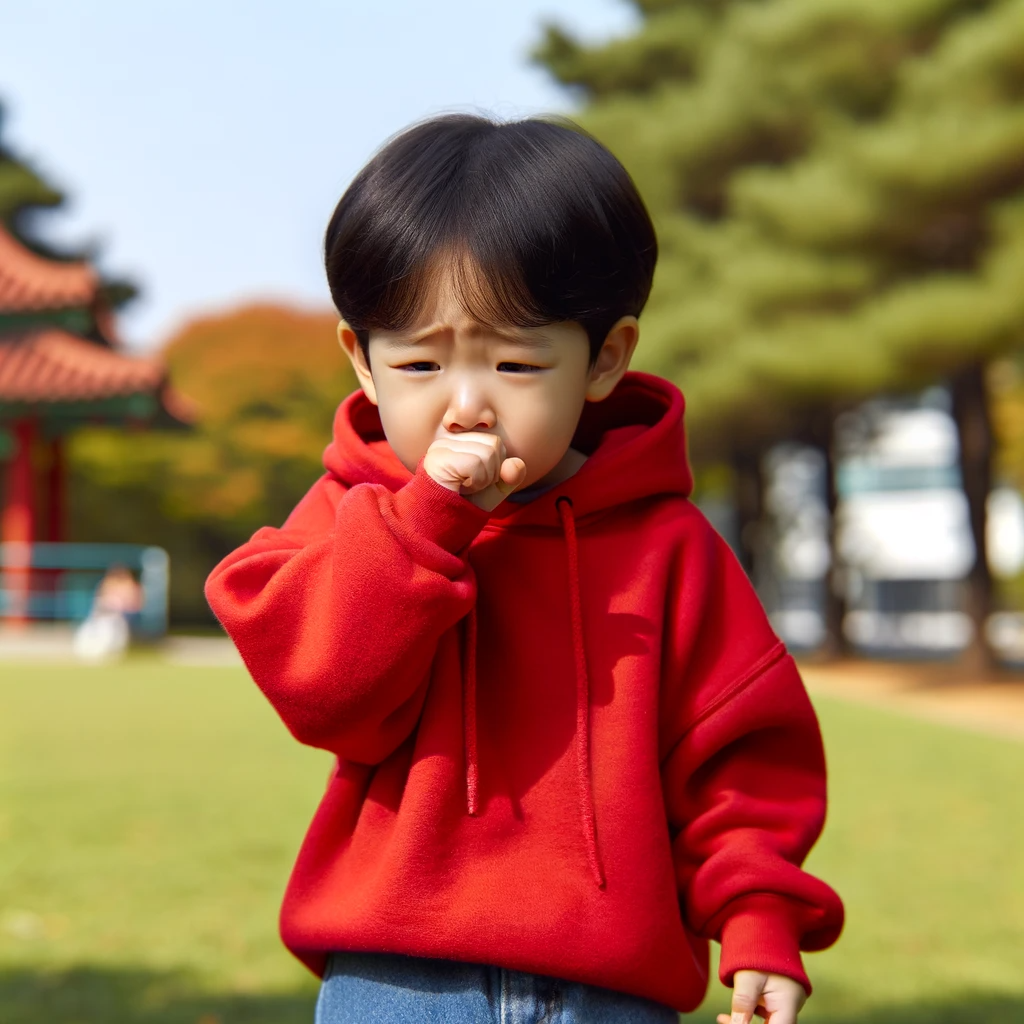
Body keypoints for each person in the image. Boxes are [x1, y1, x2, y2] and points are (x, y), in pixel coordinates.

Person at [205, 114, 844, 1024]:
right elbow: (325, 694)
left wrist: (760, 918)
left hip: (612, 992)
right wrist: (430, 520)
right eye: (420, 362)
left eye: (515, 361)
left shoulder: (669, 548)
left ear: (603, 360)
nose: (466, 404)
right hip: (394, 983)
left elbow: (739, 762)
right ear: (362, 361)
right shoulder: (352, 517)